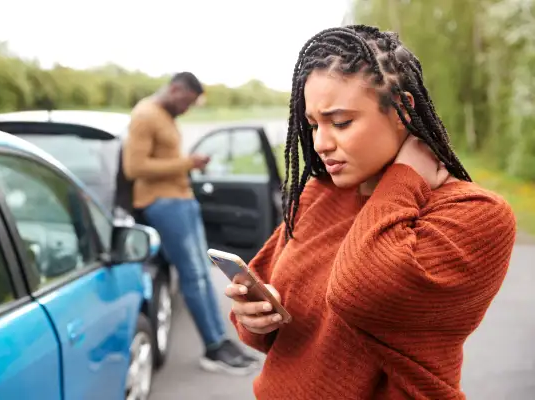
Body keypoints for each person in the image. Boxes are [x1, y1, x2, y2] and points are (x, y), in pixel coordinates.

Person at [225, 25, 516, 399]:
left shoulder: (476, 214)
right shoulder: (319, 195)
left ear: (403, 111)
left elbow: (360, 293)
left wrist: (403, 178)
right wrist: (255, 320)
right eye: (313, 125)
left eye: (341, 122)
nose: (321, 144)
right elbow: (275, 327)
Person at [122, 72, 259, 374]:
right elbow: (134, 167)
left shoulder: (165, 115)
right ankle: (213, 348)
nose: (186, 109)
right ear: (174, 89)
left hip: (181, 201)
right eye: (185, 101)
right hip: (163, 204)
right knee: (194, 276)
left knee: (203, 274)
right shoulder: (146, 114)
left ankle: (221, 341)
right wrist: (188, 163)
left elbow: (161, 159)